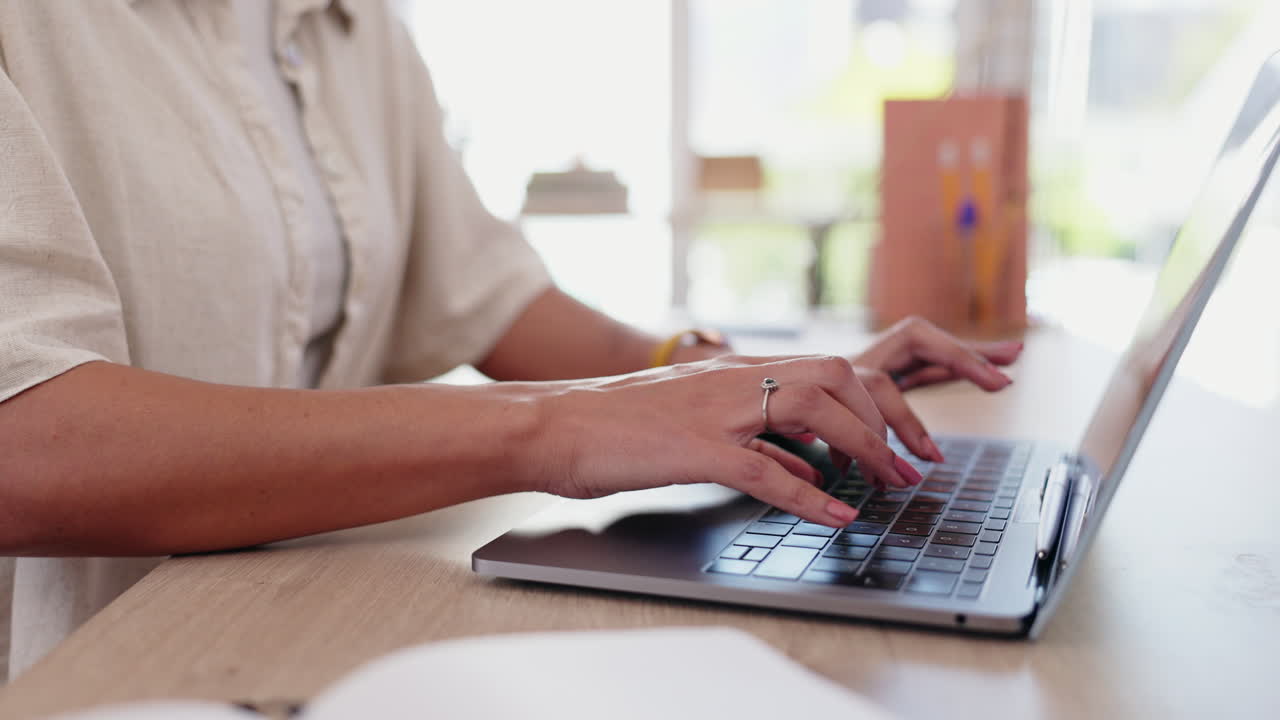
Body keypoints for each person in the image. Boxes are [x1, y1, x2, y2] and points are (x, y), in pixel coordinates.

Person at [0, 0, 1021, 680]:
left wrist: (729, 375)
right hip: (97, 668)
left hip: (304, 625)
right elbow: (26, 447)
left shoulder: (350, 31)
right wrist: (550, 434)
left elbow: (490, 297)